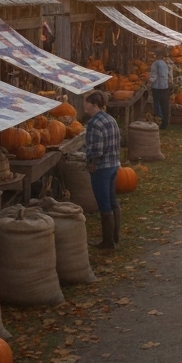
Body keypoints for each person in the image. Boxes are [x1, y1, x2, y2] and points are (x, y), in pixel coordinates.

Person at [83, 91, 121, 249]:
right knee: (112, 200)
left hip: (101, 168)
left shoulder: (94, 123)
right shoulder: (110, 119)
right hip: (113, 165)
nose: (84, 104)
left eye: (86, 102)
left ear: (94, 104)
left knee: (104, 204)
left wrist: (90, 159)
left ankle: (107, 242)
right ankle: (115, 236)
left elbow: (97, 150)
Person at [149, 48, 172, 129]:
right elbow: (169, 74)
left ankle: (158, 120)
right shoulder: (164, 64)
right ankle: (165, 122)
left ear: (157, 55)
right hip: (165, 86)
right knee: (164, 105)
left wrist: (149, 80)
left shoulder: (155, 64)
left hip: (157, 87)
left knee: (157, 104)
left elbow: (154, 76)